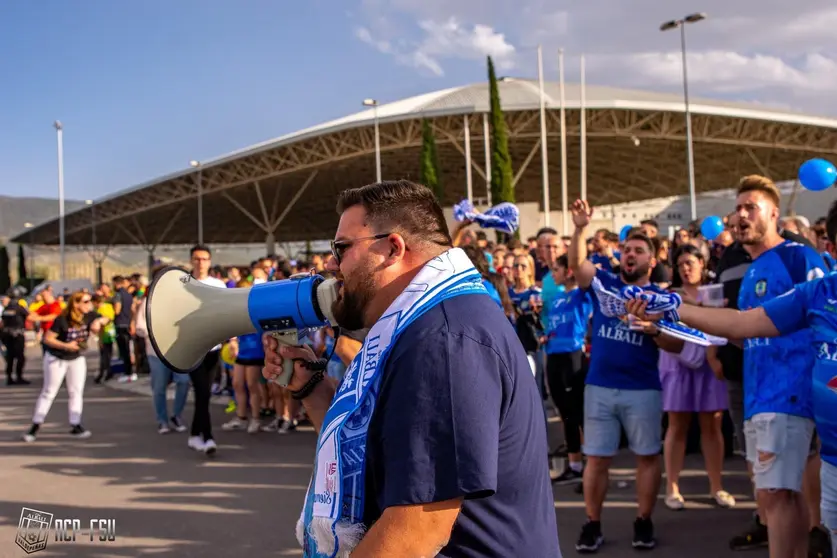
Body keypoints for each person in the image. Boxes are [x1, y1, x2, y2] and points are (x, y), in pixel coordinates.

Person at [263, 180, 560, 558]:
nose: (331, 264)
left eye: (341, 248)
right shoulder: (422, 323)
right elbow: (371, 455)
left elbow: (415, 531)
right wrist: (311, 386)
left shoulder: (444, 340)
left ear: (392, 248)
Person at [628, 175, 829, 558]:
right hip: (758, 391)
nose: (740, 216)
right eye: (738, 208)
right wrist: (669, 323)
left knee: (778, 493)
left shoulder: (798, 256)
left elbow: (823, 320)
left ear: (774, 212)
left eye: (750, 207)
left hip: (788, 392)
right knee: (774, 496)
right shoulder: (749, 268)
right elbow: (742, 332)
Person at [567, 199, 684, 552]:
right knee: (597, 459)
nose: (631, 254)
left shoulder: (663, 298)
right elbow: (576, 266)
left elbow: (676, 347)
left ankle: (644, 522)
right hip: (600, 387)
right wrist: (579, 228)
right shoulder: (603, 282)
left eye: (639, 250)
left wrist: (651, 329)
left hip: (643, 389)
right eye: (626, 249)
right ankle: (592, 524)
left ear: (653, 259)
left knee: (647, 457)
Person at [661, 244, 734, 510]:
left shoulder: (714, 291)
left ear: (702, 263)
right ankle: (672, 487)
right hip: (677, 363)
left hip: (708, 361)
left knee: (712, 425)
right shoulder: (669, 295)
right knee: (677, 425)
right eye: (680, 265)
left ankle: (717, 486)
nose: (686, 268)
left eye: (690, 262)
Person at [22, 291, 110, 442]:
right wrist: (66, 345)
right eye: (86, 301)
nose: (90, 304)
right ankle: (35, 426)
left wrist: (100, 322)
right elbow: (48, 338)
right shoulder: (63, 319)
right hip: (57, 358)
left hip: (76, 358)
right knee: (49, 392)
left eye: (90, 301)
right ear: (76, 304)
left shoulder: (90, 315)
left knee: (76, 391)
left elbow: (107, 318)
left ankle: (75, 424)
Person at [543, 254, 593, 485]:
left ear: (569, 271)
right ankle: (574, 466)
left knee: (579, 412)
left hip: (573, 355)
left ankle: (592, 468)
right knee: (565, 413)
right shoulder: (558, 298)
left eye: (557, 269)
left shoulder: (581, 294)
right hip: (553, 355)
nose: (553, 274)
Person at [187, 244, 228, 455]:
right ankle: (208, 437)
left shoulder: (218, 285)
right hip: (192, 348)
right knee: (202, 392)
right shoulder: (183, 283)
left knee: (204, 396)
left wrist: (232, 339)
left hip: (214, 347)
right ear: (191, 261)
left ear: (210, 262)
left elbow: (227, 314)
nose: (200, 262)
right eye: (196, 258)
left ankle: (195, 434)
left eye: (204, 259)